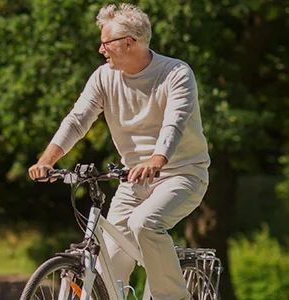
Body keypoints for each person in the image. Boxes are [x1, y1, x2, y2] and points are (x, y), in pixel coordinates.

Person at [27, 3, 210, 300]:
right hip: (131, 180)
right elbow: (78, 119)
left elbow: (174, 123)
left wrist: (157, 159)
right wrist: (47, 160)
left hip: (181, 175)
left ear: (129, 42)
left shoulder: (175, 73)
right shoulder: (103, 77)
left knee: (145, 223)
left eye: (105, 43)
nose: (100, 50)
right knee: (107, 269)